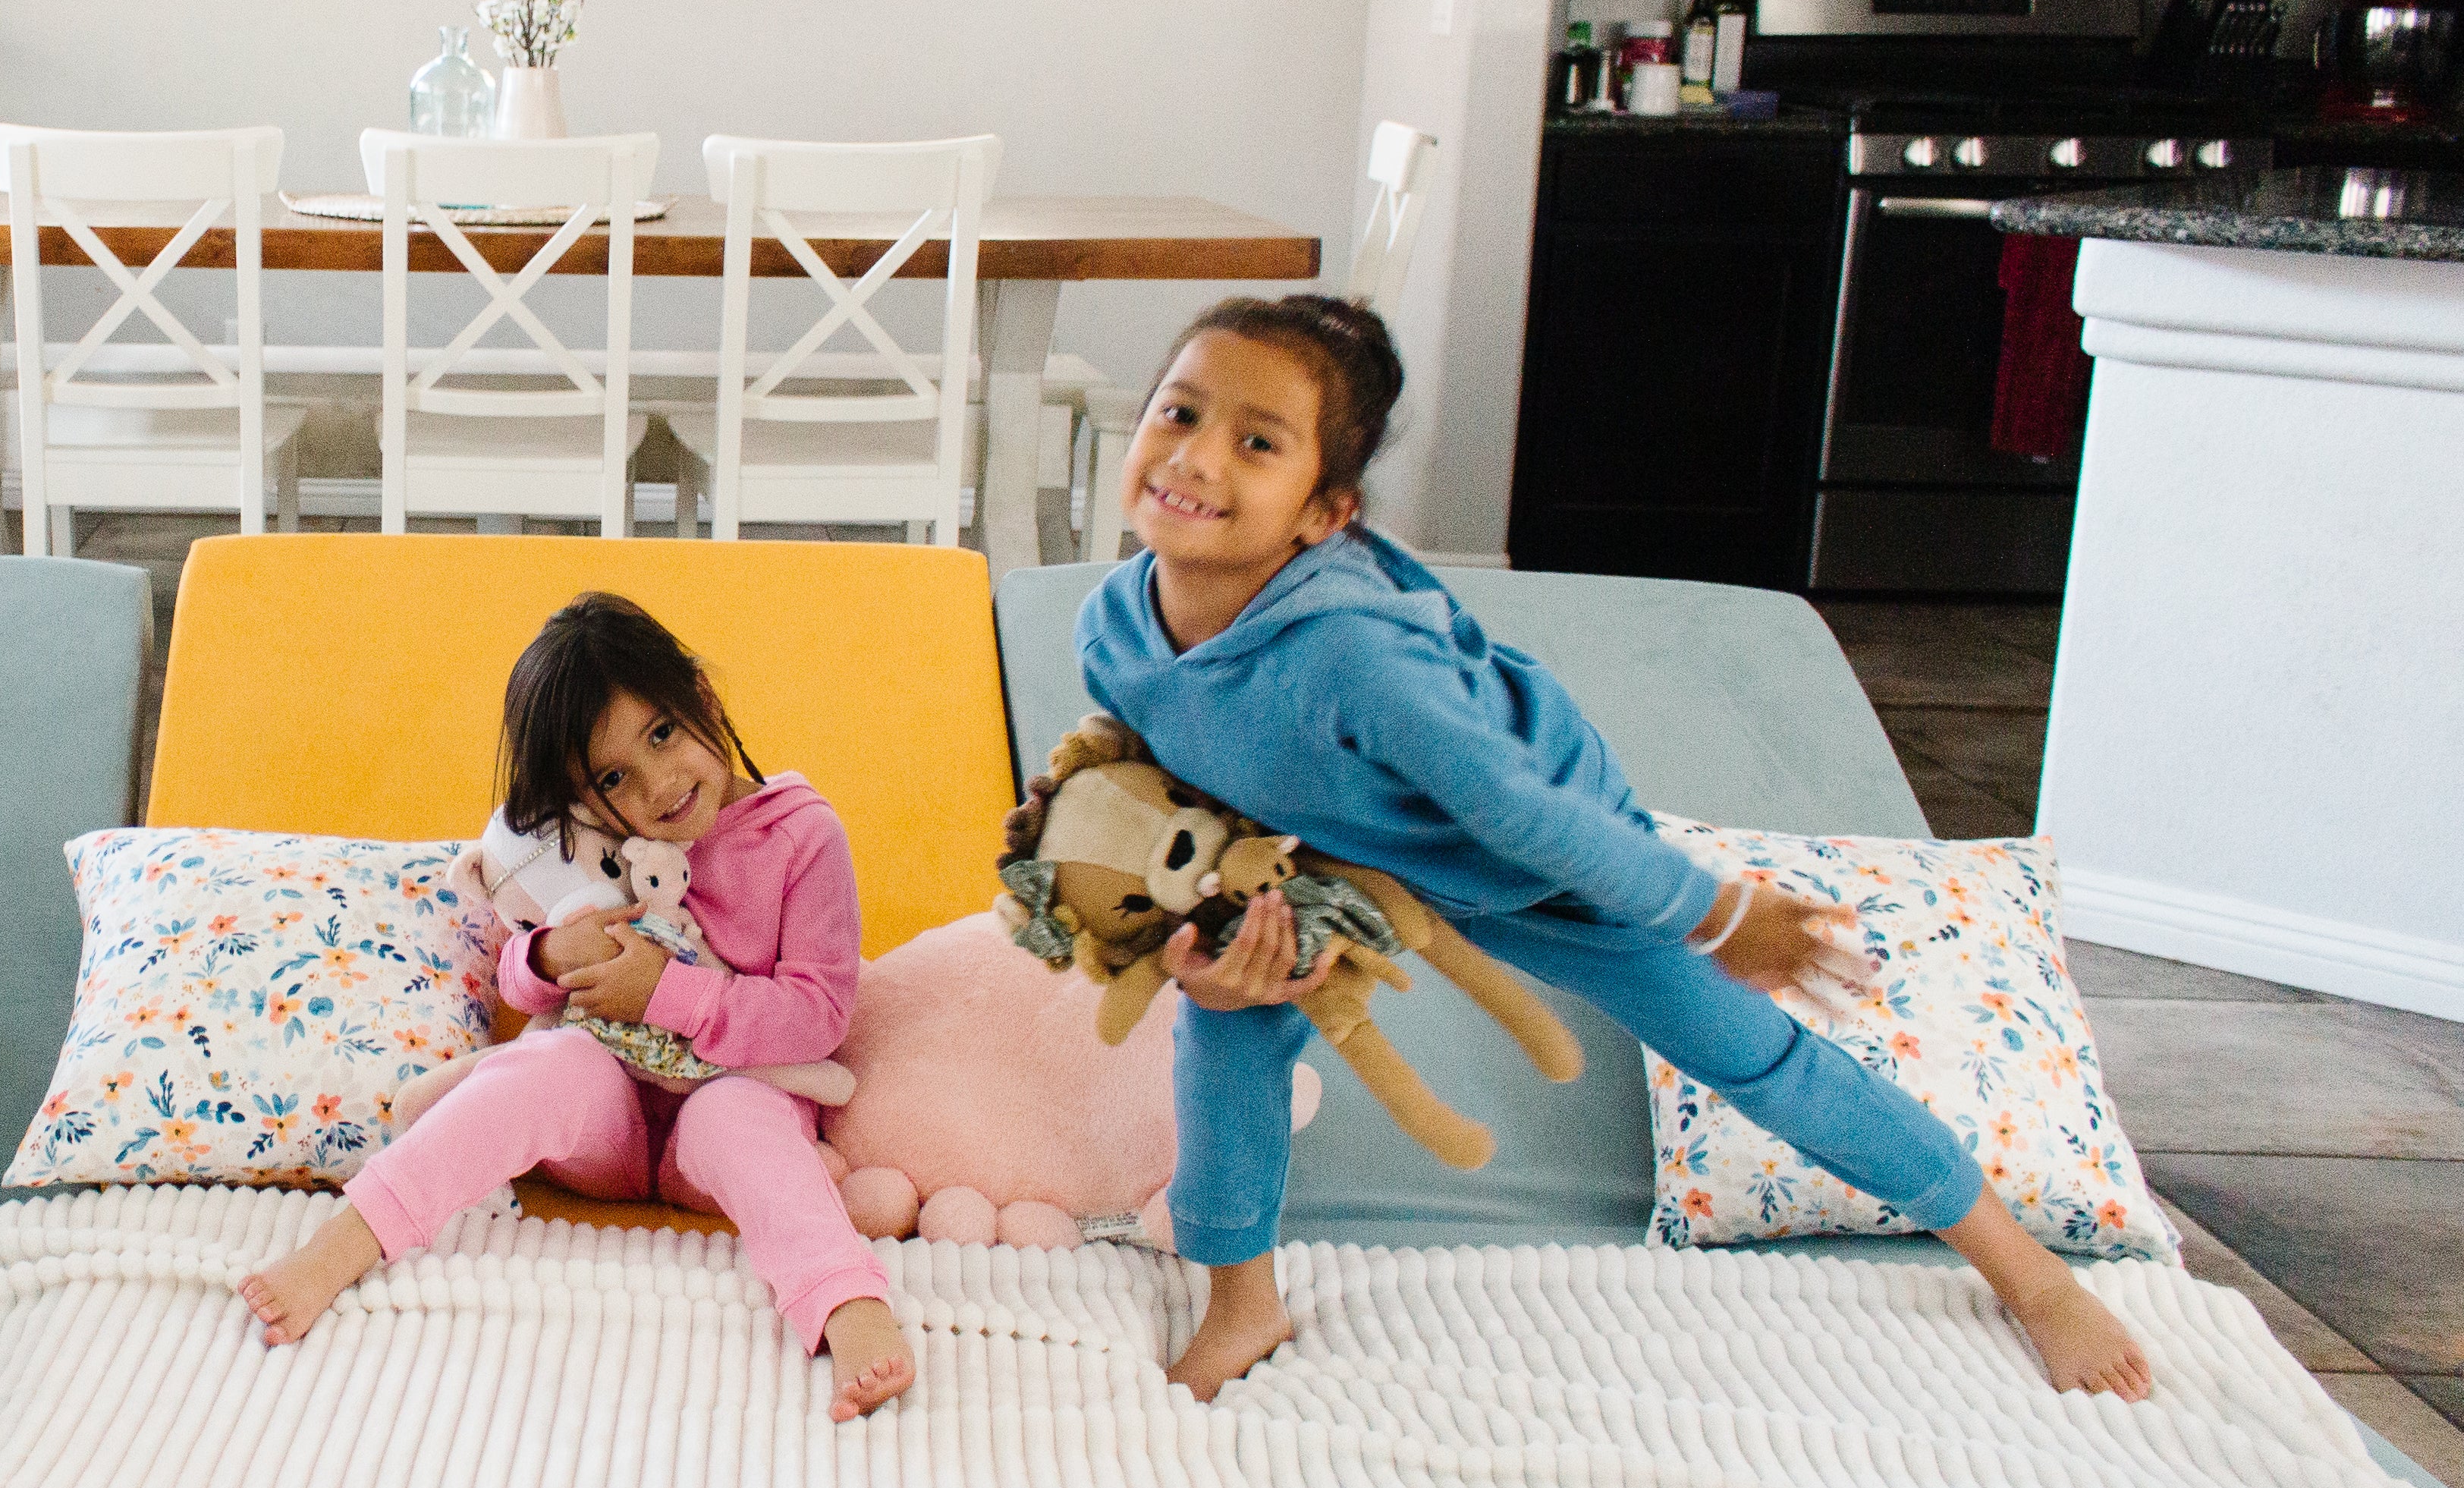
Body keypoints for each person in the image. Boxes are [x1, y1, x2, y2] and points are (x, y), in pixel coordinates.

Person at [1077, 297, 2152, 1406]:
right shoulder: (1116, 625)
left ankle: (2031, 1277)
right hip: (1339, 852)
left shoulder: (1360, 658)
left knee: (1749, 1051)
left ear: (1323, 515)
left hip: (1540, 854)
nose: (1196, 457)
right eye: (1179, 412)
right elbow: (1168, 780)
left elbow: (1532, 817)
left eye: (1257, 442)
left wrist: (1719, 913)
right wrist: (1201, 931)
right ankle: (1243, 1301)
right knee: (1228, 1027)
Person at [237, 594, 918, 1419]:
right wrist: (553, 954)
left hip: (728, 1110)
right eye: (613, 778)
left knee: (739, 1118)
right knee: (550, 1060)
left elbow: (818, 1015)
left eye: (662, 734)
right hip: (608, 1127)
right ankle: (344, 1242)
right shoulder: (590, 844)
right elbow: (519, 980)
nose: (658, 785)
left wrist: (665, 993)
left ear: (703, 699)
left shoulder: (803, 836)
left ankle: (847, 1303)